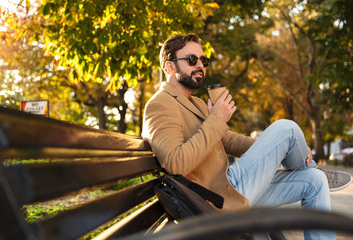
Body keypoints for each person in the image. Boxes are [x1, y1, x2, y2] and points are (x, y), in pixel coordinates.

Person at [142, 33, 351, 240]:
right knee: (286, 128)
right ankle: (307, 164)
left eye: (203, 60)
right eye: (191, 59)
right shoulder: (160, 105)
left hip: (231, 187)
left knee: (315, 181)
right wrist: (216, 120)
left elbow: (229, 140)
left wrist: (276, 146)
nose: (200, 65)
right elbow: (175, 163)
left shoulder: (195, 103)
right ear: (170, 66)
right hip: (214, 198)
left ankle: (310, 168)